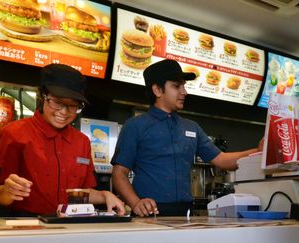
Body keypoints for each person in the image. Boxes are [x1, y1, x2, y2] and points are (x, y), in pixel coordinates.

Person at [111, 59, 263, 217]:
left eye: (184, 85)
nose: (184, 92)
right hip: (149, 214)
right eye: (177, 86)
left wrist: (258, 151)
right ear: (157, 90)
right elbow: (119, 173)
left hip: (185, 215)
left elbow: (222, 160)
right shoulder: (135, 126)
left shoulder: (191, 127)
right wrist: (135, 203)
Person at [0, 64, 125, 216]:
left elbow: (81, 193)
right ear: (42, 96)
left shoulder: (82, 141)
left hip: (71, 227)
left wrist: (105, 195)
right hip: (28, 225)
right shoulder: (13, 133)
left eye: (73, 105)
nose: (64, 112)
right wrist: (8, 191)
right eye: (57, 102)